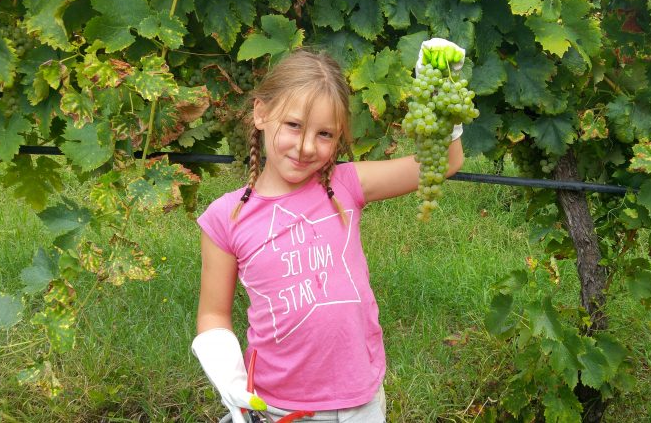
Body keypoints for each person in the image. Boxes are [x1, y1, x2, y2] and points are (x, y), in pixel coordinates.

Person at [191, 40, 467, 423]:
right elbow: (213, 315)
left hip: (359, 405)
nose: (305, 147)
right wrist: (227, 373)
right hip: (274, 407)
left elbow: (446, 162)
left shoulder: (345, 185)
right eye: (293, 126)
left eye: (325, 134)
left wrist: (440, 94)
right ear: (260, 113)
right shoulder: (226, 217)